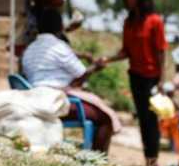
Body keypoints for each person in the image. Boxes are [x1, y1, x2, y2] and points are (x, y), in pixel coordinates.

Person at [20, 9, 119, 153]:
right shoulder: (59, 47)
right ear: (60, 27)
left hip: (34, 100)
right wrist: (95, 67)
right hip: (56, 103)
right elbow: (80, 74)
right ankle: (97, 163)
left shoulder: (29, 50)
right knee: (106, 118)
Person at [100, 0, 167, 166]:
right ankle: (148, 158)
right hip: (135, 76)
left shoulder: (155, 21)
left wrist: (161, 80)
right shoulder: (128, 23)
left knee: (151, 120)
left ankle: (153, 160)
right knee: (142, 118)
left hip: (152, 77)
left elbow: (161, 51)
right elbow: (125, 52)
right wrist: (107, 58)